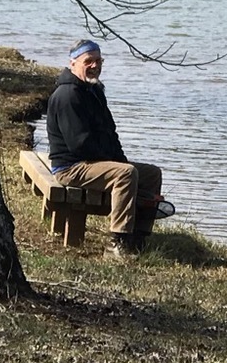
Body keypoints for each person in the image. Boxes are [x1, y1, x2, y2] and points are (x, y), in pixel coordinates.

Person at [44, 39, 166, 259]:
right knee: (125, 174)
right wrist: (117, 165)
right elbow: (79, 144)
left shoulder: (94, 91)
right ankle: (116, 242)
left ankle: (138, 238)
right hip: (70, 167)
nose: (95, 65)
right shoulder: (68, 96)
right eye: (88, 61)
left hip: (91, 162)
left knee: (151, 173)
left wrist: (120, 158)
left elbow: (110, 132)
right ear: (73, 63)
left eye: (99, 60)